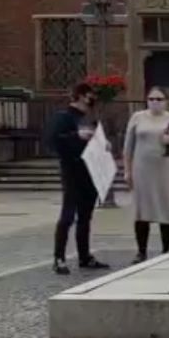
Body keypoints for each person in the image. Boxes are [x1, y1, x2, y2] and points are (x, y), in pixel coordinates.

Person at [124, 86, 169, 264]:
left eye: (159, 99)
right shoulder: (137, 118)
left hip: (165, 169)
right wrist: (127, 170)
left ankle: (166, 249)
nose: (154, 102)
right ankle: (141, 251)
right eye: (151, 99)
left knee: (165, 207)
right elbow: (128, 146)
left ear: (165, 101)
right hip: (142, 170)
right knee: (141, 209)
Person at [50, 82, 110, 275]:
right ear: (82, 96)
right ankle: (59, 258)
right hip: (72, 171)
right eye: (91, 95)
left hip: (90, 171)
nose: (93, 99)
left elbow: (95, 140)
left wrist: (104, 144)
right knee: (68, 215)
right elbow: (53, 141)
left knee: (86, 216)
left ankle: (84, 256)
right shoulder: (64, 117)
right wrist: (77, 135)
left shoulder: (89, 118)